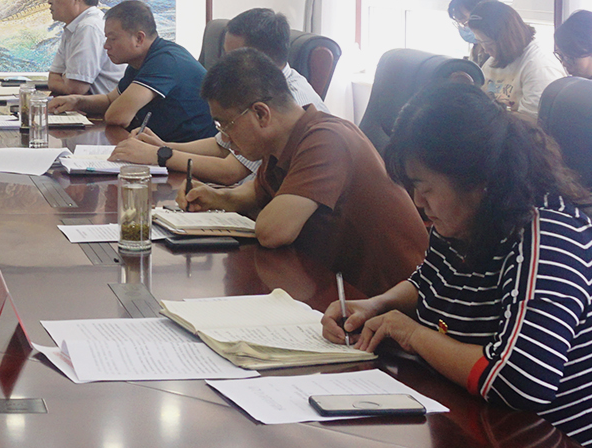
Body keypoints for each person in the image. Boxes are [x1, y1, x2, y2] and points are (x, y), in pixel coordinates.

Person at [326, 81, 592, 448]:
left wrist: (408, 333)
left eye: (424, 188)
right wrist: (377, 305)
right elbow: (431, 280)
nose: (417, 202)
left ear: (477, 180)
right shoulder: (465, 218)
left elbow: (517, 380)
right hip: (497, 444)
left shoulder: (547, 239)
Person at [180, 50, 426, 296]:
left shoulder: (327, 139)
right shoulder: (282, 143)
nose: (224, 138)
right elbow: (255, 192)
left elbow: (273, 231)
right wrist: (215, 197)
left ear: (261, 114)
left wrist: (257, 211)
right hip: (336, 288)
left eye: (226, 125)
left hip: (392, 301)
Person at [110, 7, 322, 181]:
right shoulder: (256, 88)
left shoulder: (288, 101)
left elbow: (230, 171)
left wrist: (158, 155)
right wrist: (164, 146)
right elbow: (221, 144)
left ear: (258, 58)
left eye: (232, 57)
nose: (224, 64)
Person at [45, 0, 213, 142]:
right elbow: (110, 100)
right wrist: (76, 101)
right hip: (163, 148)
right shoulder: (139, 61)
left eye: (112, 38)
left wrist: (112, 110)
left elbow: (117, 116)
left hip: (190, 155)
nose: (106, 46)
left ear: (139, 38)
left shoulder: (165, 61)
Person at [467, 1, 563, 117]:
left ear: (506, 38)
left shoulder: (539, 66)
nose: (486, 50)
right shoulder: (494, 60)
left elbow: (532, 121)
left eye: (489, 44)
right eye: (480, 42)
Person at [44, 0, 123, 96]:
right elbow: (53, 77)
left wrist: (64, 80)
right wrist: (64, 81)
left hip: (103, 108)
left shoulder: (89, 27)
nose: (49, 1)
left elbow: (75, 89)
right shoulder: (73, 27)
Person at [448, 0, 498, 64]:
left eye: (465, 21)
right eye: (460, 22)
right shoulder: (477, 47)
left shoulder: (499, 50)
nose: (464, 27)